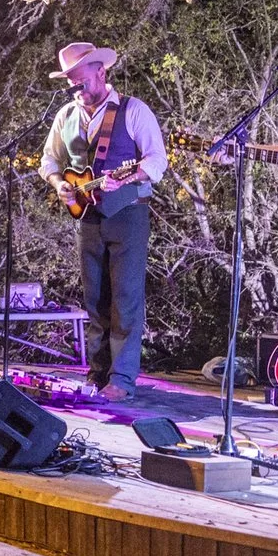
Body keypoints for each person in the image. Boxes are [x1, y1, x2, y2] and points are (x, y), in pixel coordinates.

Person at [35, 42, 169, 402]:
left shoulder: (133, 110)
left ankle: (122, 378)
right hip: (87, 215)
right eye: (71, 83)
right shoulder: (65, 116)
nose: (77, 89)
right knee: (94, 298)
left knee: (125, 297)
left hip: (128, 213)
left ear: (101, 72)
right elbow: (48, 161)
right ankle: (98, 372)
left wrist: (127, 178)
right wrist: (59, 184)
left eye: (81, 81)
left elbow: (157, 162)